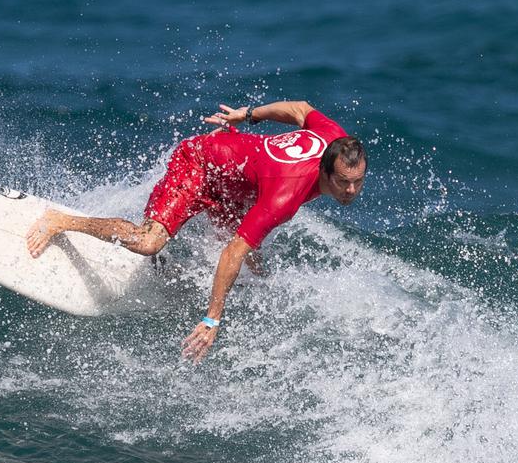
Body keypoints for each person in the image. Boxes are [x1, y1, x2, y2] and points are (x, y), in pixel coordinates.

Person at [25, 100, 367, 362]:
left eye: (357, 182)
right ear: (325, 170)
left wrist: (246, 115)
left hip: (234, 182)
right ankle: (62, 220)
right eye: (343, 183)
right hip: (201, 165)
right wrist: (212, 319)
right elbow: (233, 250)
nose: (351, 191)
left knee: (255, 271)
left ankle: (166, 271)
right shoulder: (284, 197)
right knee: (148, 241)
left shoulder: (336, 138)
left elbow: (301, 109)